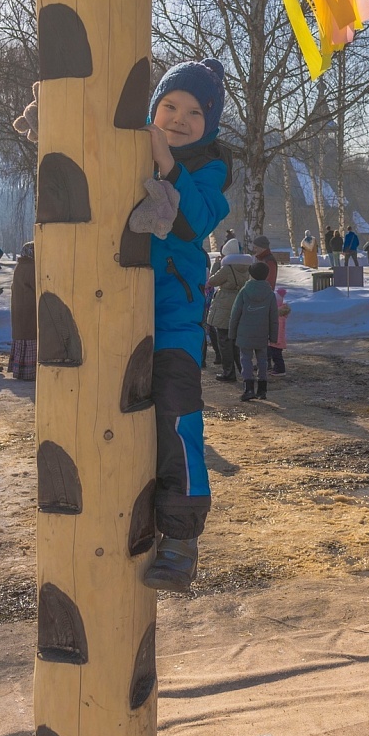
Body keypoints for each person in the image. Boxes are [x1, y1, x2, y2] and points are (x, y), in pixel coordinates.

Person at [139, 58, 231, 594]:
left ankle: (180, 539)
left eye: (194, 112)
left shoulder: (210, 166)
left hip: (173, 320)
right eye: (170, 105)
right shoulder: (134, 146)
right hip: (116, 311)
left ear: (210, 123)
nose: (179, 119)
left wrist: (167, 165)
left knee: (177, 420)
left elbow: (194, 218)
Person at [229, 260, 279, 402]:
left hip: (244, 332)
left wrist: (232, 333)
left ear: (251, 274)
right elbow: (273, 317)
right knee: (263, 360)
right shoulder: (270, 294)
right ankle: (262, 390)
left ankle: (248, 388)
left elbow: (235, 313)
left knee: (245, 360)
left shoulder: (244, 291)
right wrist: (273, 336)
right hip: (262, 333)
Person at [206, 238, 253, 383]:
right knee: (236, 341)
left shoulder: (226, 268)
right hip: (239, 303)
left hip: (224, 305)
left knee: (224, 341)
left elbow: (212, 281)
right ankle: (244, 371)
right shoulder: (246, 267)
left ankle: (228, 372)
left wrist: (217, 265)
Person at [7, 241, 37, 380]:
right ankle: (29, 371)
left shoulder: (20, 265)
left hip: (20, 308)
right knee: (29, 336)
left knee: (22, 336)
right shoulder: (31, 267)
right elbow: (37, 286)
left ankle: (21, 370)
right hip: (28, 308)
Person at [269, 285, 290, 374]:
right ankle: (277, 368)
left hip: (276, 340)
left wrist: (274, 339)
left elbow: (278, 330)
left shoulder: (278, 317)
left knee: (276, 356)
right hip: (277, 339)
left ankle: (280, 370)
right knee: (276, 355)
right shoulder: (280, 315)